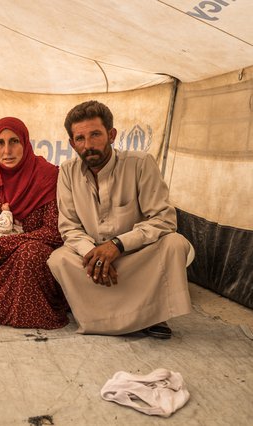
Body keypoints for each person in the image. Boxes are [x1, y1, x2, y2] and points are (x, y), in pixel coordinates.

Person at [47, 100, 192, 338]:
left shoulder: (140, 164)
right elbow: (69, 228)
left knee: (175, 244)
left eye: (95, 135)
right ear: (72, 144)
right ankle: (101, 317)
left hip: (134, 255)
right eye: (80, 139)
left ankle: (153, 315)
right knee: (59, 259)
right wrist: (92, 254)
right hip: (92, 255)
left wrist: (117, 245)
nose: (88, 145)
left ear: (112, 135)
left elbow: (164, 219)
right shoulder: (67, 172)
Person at [0, 117, 69, 329]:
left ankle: (28, 315)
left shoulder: (49, 176)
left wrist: (6, 243)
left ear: (25, 143)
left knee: (30, 253)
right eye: (0, 143)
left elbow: (54, 233)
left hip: (34, 250)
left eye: (14, 141)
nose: (7, 150)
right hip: (0, 249)